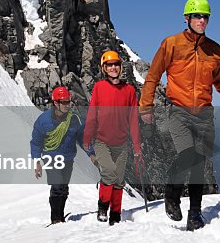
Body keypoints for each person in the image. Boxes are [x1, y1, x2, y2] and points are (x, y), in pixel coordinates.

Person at [140, 0, 220, 231]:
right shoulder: (171, 44)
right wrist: (146, 106)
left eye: (205, 16)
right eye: (197, 16)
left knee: (199, 162)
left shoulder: (215, 50)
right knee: (188, 154)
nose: (202, 20)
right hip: (179, 110)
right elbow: (153, 76)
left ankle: (195, 213)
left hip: (204, 114)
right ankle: (172, 193)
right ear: (187, 18)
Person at [83, 50, 143, 225]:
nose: (113, 68)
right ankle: (103, 207)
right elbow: (92, 112)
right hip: (101, 141)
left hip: (121, 143)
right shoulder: (99, 87)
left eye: (116, 64)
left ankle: (115, 215)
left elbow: (133, 120)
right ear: (104, 68)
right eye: (109, 65)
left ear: (120, 67)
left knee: (119, 180)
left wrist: (137, 147)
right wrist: (88, 137)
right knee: (109, 172)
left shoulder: (129, 90)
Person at [31, 85, 85, 224]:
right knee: (57, 187)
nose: (68, 105)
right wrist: (37, 162)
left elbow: (82, 138)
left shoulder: (73, 120)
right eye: (64, 102)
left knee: (64, 188)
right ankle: (55, 218)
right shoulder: (43, 121)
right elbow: (36, 143)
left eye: (69, 101)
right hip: (51, 158)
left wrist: (91, 153)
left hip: (68, 158)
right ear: (56, 103)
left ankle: (60, 215)